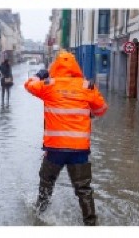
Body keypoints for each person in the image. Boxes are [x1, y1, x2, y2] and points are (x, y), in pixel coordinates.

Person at [25, 51, 108, 225]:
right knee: (84, 189)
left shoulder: (48, 85)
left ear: (55, 66)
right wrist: (88, 113)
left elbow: (29, 85)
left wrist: (40, 74)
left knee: (46, 183)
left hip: (54, 149)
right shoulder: (87, 87)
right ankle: (91, 223)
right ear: (75, 66)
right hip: (79, 150)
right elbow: (101, 110)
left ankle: (39, 215)